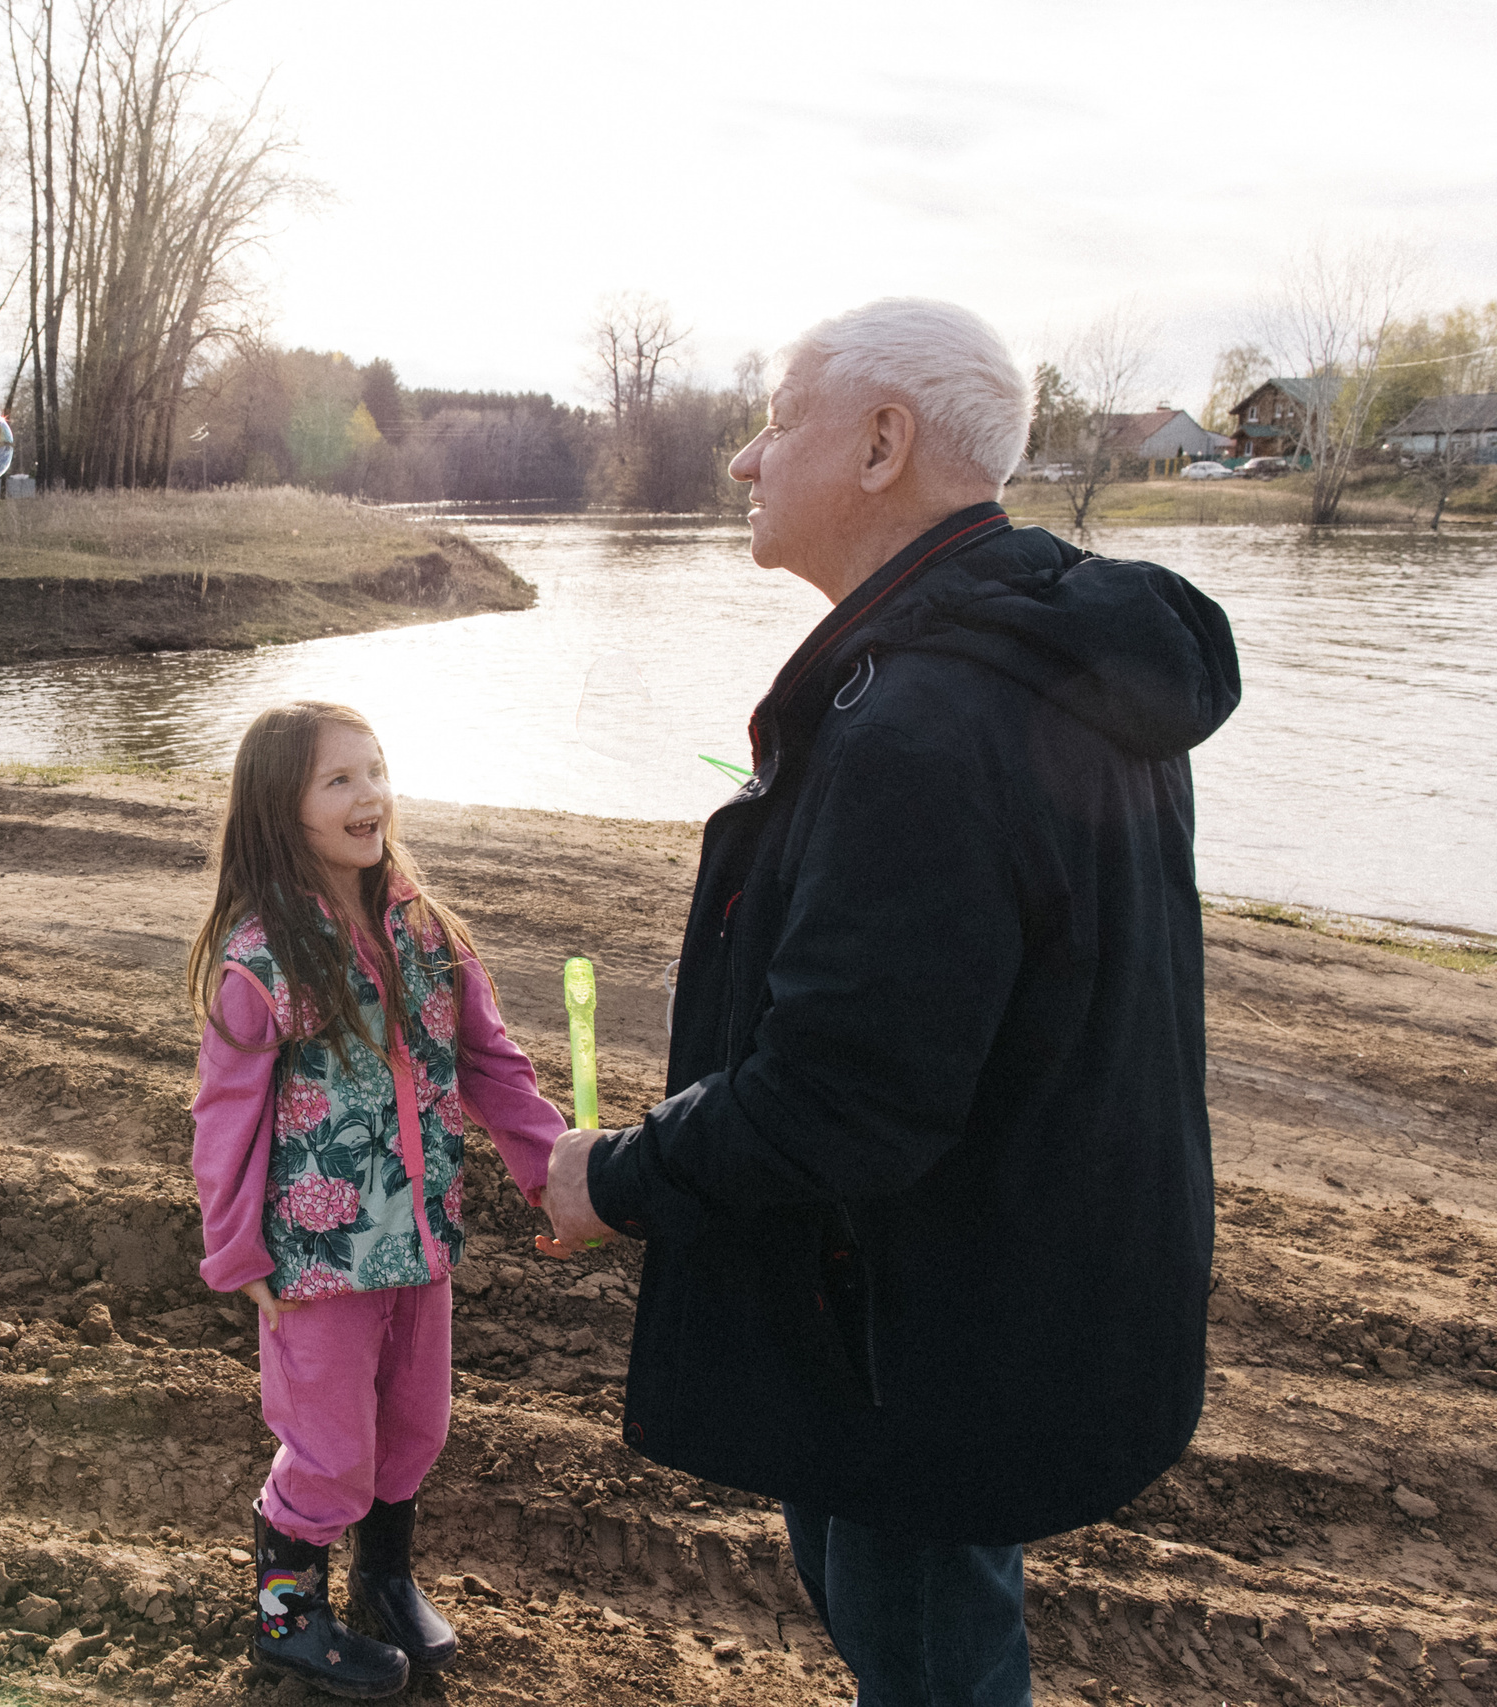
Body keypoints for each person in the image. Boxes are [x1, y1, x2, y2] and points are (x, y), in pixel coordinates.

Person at [538, 299, 1241, 1707]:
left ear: (880, 444)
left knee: (927, 1658)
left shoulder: (929, 717)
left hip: (924, 1332)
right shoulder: (1043, 656)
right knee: (942, 1633)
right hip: (1013, 1284)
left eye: (779, 417)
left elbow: (848, 1098)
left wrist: (614, 1174)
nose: (745, 457)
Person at [188, 701, 561, 1700]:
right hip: (314, 1262)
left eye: (377, 770)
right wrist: (237, 1255)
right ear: (284, 808)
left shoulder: (426, 930)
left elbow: (491, 1066)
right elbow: (224, 1119)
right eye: (339, 780)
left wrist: (554, 1167)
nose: (370, 796)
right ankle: (286, 1616)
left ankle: (383, 1579)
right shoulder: (260, 958)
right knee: (331, 1449)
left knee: (414, 1426)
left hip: (423, 1237)